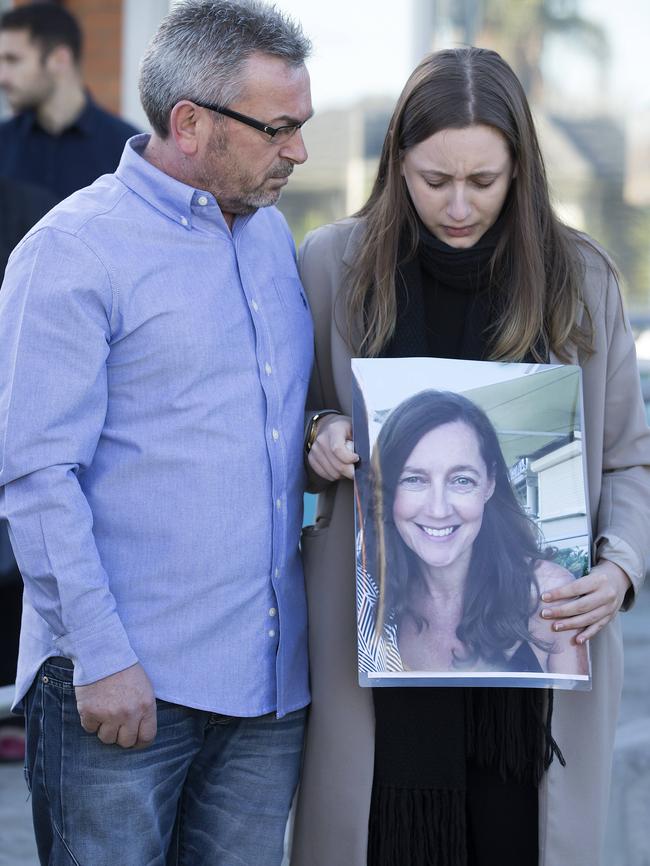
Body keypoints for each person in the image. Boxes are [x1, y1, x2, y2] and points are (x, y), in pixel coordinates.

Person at [291, 47, 650, 866]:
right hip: (373, 658)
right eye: (432, 179)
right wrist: (320, 436)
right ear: (396, 165)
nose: (457, 205)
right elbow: (284, 422)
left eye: (483, 182)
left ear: (521, 169)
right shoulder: (332, 264)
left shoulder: (581, 277)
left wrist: (620, 567)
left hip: (528, 680)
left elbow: (631, 459)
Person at [0, 1, 313, 863]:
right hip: (124, 692)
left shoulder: (275, 237)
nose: (299, 150)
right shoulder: (73, 252)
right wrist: (100, 660)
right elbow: (36, 479)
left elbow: (275, 417)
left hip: (268, 702)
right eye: (280, 128)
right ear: (191, 124)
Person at [357, 388, 588, 677]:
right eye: (414, 479)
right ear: (387, 488)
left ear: (489, 483)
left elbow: (570, 717)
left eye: (462, 480)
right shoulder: (366, 597)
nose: (439, 510)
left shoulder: (550, 594)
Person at [0, 3, 139, 201]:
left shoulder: (126, 152)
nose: (2, 77)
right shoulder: (3, 144)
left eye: (13, 60)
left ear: (59, 59)